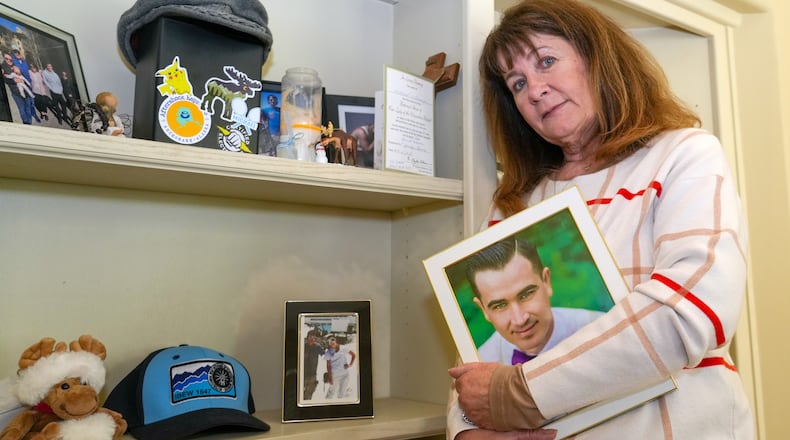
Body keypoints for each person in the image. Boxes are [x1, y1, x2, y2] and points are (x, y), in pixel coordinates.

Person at [446, 0, 754, 439]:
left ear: (598, 58)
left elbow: (692, 310)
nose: (534, 91)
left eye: (547, 62)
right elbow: (472, 361)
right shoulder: (513, 203)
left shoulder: (683, 154)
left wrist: (521, 392)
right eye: (517, 83)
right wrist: (468, 430)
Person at [466, 236, 603, 365]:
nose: (520, 320)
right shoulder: (480, 364)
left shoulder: (600, 329)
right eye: (500, 305)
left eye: (525, 295)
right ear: (483, 309)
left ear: (546, 281)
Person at [2, 52, 34, 124]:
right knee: (22, 110)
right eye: (6, 58)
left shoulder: (15, 64)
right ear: (4, 58)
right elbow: (5, 79)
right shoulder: (3, 66)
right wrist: (14, 80)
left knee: (28, 109)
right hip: (16, 92)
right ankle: (26, 123)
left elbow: (22, 75)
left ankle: (30, 124)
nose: (9, 60)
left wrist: (28, 84)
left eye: (10, 58)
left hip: (25, 90)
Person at [302, 329, 325, 400]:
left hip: (312, 376)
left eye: (314, 337)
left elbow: (326, 356)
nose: (312, 339)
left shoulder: (317, 347)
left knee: (308, 396)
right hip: (302, 375)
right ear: (307, 337)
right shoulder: (302, 346)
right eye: (311, 337)